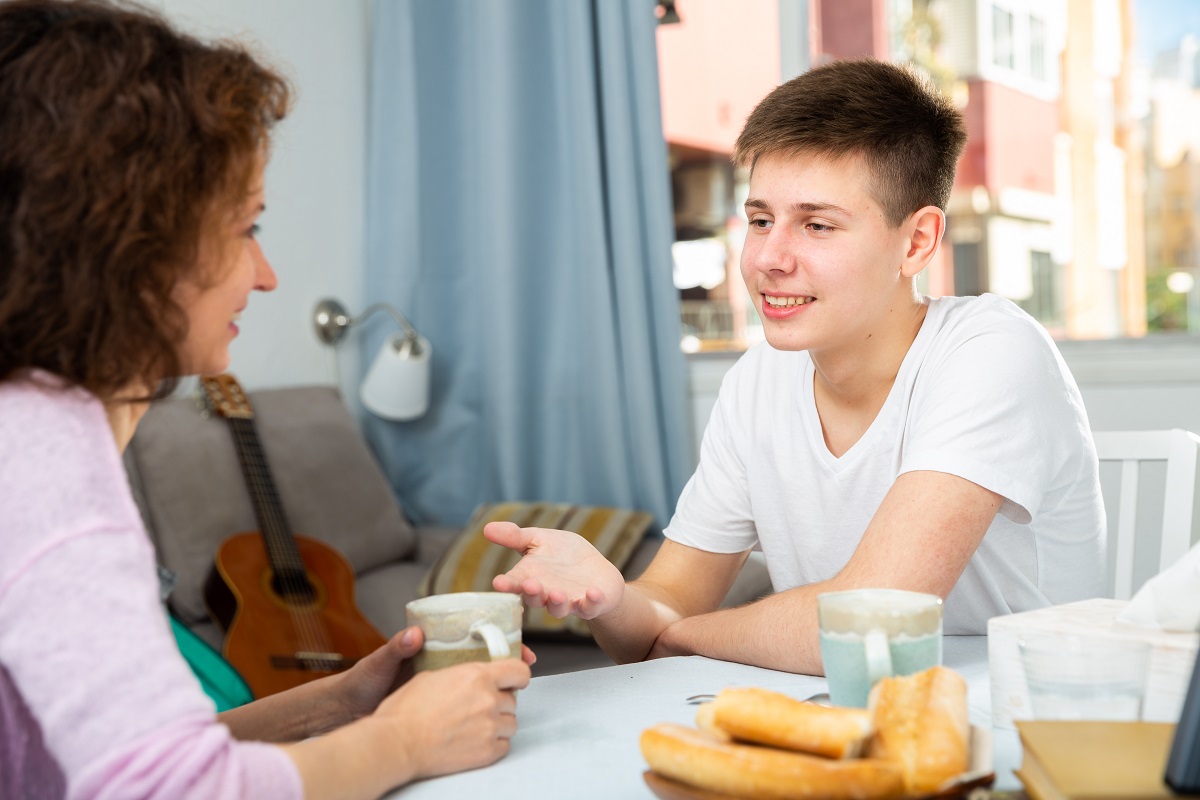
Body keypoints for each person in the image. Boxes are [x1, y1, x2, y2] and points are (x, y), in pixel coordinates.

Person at [0, 1, 531, 798]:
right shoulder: (38, 442)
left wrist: (341, 701)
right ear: (132, 240)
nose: (267, 274)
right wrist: (404, 740)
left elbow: (118, 763)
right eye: (247, 226)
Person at [485, 58, 1106, 675]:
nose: (768, 259)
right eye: (760, 220)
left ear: (916, 242)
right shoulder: (759, 381)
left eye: (816, 224)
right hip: (837, 719)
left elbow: (871, 625)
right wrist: (614, 600)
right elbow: (663, 606)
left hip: (1022, 725)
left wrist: (675, 638)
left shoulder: (991, 350)